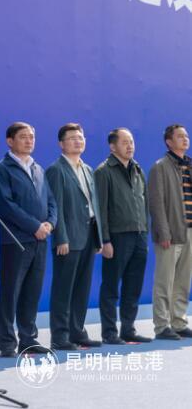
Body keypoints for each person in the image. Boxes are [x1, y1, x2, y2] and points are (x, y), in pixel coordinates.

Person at [0, 122, 57, 357]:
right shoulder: (1, 170)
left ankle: (28, 339)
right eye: (23, 137)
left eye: (32, 137)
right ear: (10, 141)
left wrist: (50, 223)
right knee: (11, 292)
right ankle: (7, 343)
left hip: (40, 240)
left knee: (32, 292)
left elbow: (51, 201)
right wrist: (34, 226)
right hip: (15, 241)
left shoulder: (38, 169)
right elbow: (7, 206)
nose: (29, 141)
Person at [45, 123, 102, 350]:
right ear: (61, 144)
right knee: (63, 288)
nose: (78, 141)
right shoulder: (56, 170)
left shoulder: (87, 169)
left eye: (81, 137)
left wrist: (98, 238)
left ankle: (77, 331)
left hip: (88, 235)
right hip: (68, 238)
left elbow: (93, 205)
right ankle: (60, 336)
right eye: (72, 138)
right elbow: (55, 206)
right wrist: (61, 237)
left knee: (82, 287)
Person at [95, 128, 152, 344]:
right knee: (111, 286)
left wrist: (144, 231)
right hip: (117, 237)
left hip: (139, 236)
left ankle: (128, 329)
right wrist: (105, 240)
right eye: (125, 142)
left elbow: (144, 204)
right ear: (112, 147)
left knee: (133, 285)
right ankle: (109, 332)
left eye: (132, 142)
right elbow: (101, 209)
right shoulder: (104, 171)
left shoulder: (138, 170)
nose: (130, 146)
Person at [149, 124, 192, 340]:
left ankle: (178, 321)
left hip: (189, 232)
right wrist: (163, 232)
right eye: (180, 136)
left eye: (186, 136)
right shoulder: (160, 167)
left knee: (183, 280)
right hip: (171, 233)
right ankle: (162, 325)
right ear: (168, 141)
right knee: (164, 281)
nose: (185, 139)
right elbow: (156, 203)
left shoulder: (189, 165)